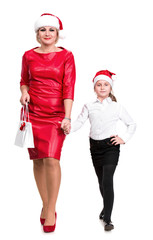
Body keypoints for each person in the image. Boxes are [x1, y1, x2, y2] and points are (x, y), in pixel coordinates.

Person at [20, 13, 76, 233]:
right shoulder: (27, 55)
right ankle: (45, 205)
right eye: (43, 30)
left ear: (57, 34)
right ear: (37, 34)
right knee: (38, 161)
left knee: (52, 159)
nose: (47, 34)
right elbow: (24, 81)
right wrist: (23, 92)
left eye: (51, 30)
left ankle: (51, 208)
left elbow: (68, 87)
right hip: (32, 113)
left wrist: (67, 117)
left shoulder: (67, 56)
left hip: (55, 114)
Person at [68, 70, 136, 231]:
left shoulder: (117, 106)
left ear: (111, 88)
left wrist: (123, 138)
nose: (102, 87)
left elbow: (132, 124)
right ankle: (106, 208)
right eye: (99, 85)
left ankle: (108, 219)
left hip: (110, 147)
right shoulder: (89, 106)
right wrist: (67, 127)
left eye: (106, 84)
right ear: (94, 88)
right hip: (95, 147)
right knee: (101, 181)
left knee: (107, 180)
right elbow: (78, 123)